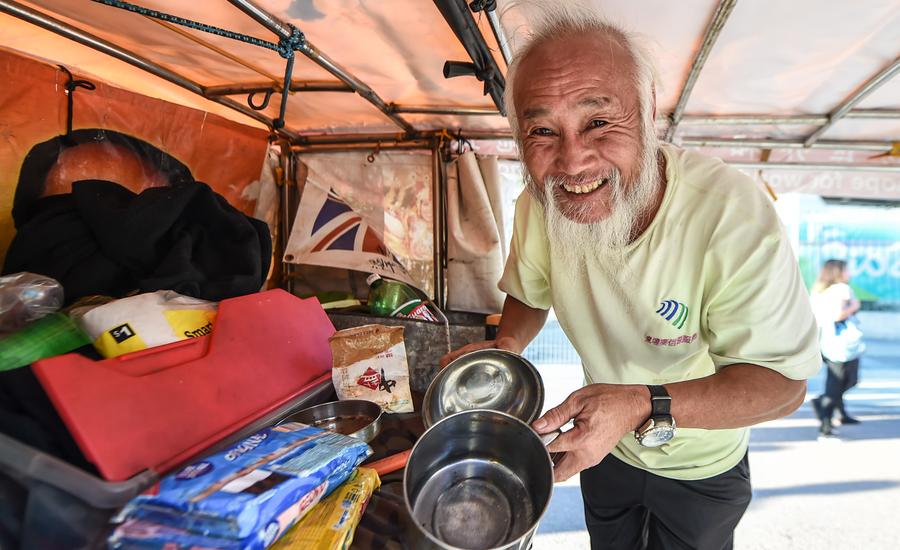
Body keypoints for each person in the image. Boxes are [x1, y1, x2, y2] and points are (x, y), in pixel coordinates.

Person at [440, 3, 821, 549]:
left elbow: (783, 387)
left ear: (646, 111)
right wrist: (507, 345)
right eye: (542, 130)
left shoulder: (730, 214)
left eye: (598, 121)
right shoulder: (539, 204)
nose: (572, 162)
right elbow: (529, 290)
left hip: (702, 462)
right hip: (608, 450)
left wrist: (642, 402)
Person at [809, 259, 864, 437]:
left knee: (836, 380)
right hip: (841, 344)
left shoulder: (819, 290)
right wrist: (854, 306)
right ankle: (824, 416)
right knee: (844, 381)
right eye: (847, 269)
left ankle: (839, 412)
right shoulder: (841, 289)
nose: (849, 272)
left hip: (825, 340)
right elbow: (838, 314)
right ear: (838, 272)